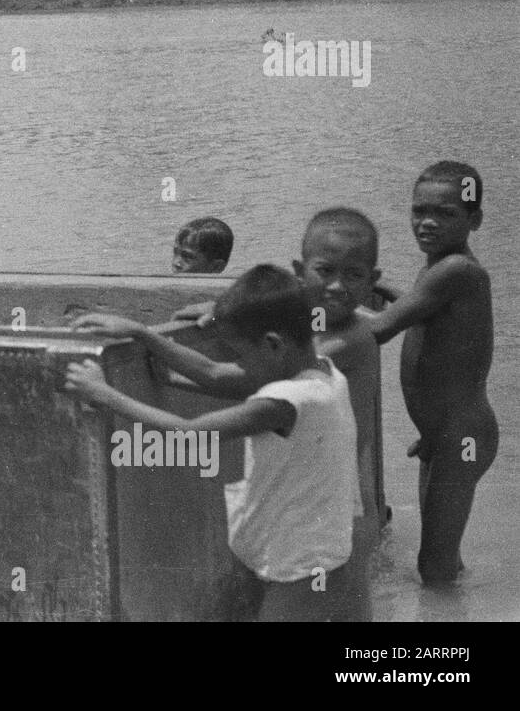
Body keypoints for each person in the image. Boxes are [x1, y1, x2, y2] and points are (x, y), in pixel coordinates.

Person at [75, 208, 383, 619]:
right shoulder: (322, 374)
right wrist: (142, 334)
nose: (239, 364)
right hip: (275, 547)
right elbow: (214, 373)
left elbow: (189, 432)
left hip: (301, 568)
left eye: (242, 354)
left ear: (273, 345)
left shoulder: (286, 400)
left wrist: (102, 393)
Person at [365, 160, 497, 585]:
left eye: (445, 214)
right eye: (419, 210)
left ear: (474, 219)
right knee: (443, 558)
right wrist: (384, 290)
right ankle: (467, 611)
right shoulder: (440, 267)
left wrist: (310, 312)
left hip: (462, 439)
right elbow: (425, 313)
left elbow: (380, 330)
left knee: (432, 567)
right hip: (445, 435)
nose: (426, 222)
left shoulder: (456, 270)